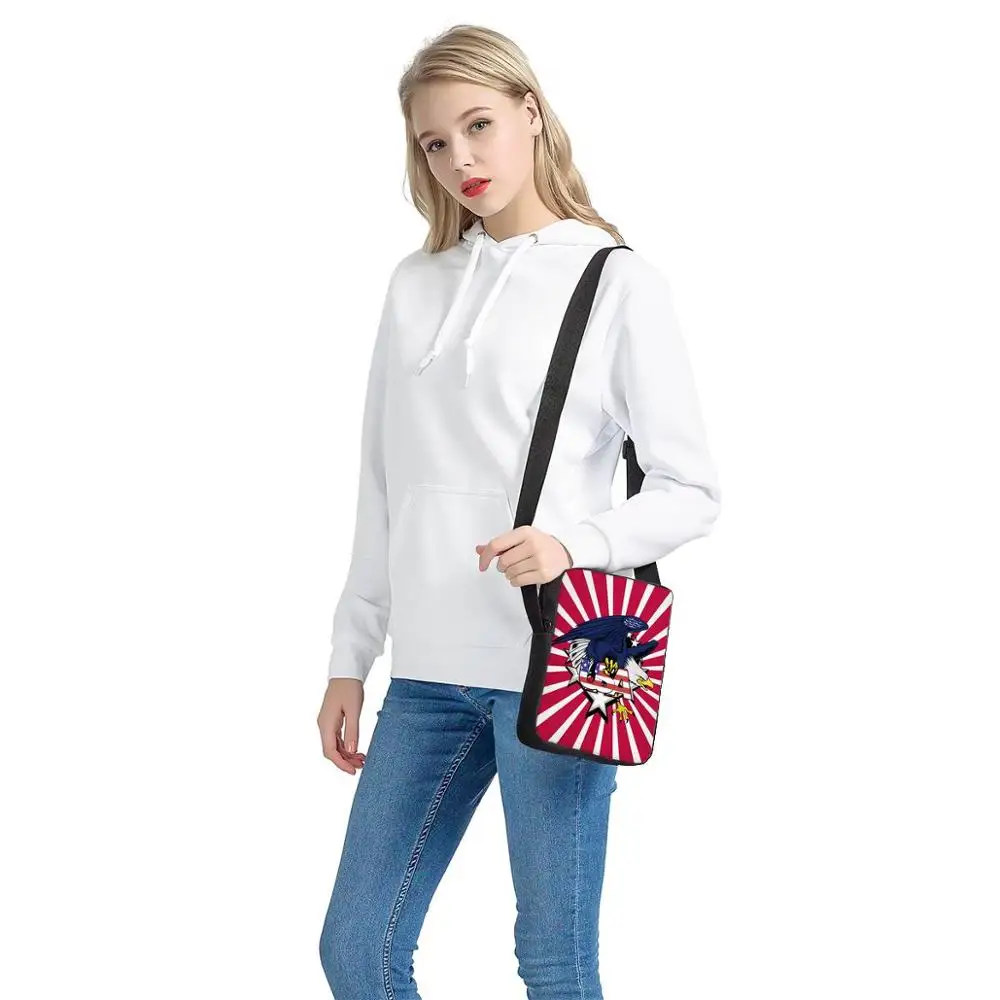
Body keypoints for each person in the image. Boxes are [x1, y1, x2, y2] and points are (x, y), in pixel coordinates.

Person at [316, 24, 722, 1000]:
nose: (460, 158)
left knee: (553, 964)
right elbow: (382, 484)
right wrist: (349, 655)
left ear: (530, 113)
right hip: (425, 676)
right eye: (434, 143)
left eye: (479, 125)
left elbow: (691, 489)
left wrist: (574, 543)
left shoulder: (615, 281)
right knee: (357, 951)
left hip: (558, 668)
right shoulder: (414, 285)